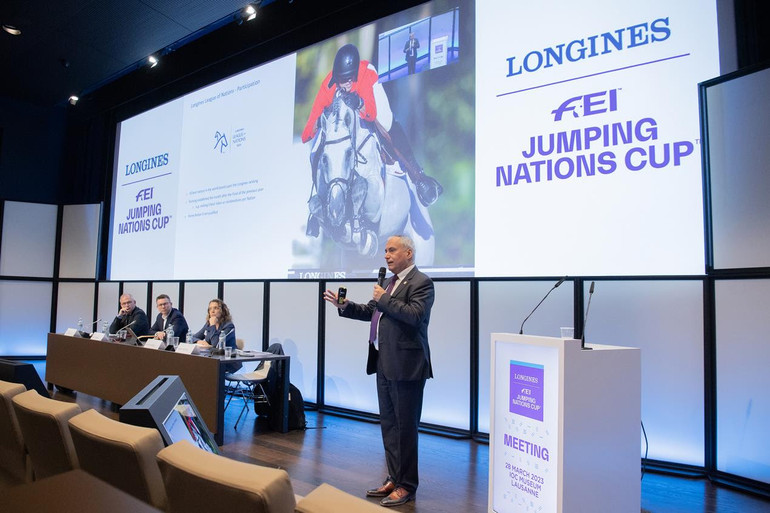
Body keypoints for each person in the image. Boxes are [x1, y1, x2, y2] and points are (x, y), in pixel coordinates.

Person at [323, 235, 434, 507]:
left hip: (408, 366)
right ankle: (394, 478)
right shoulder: (387, 283)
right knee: (390, 426)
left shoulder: (422, 283)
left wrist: (384, 298)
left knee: (406, 428)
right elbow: (371, 311)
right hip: (383, 362)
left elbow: (413, 315)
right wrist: (345, 306)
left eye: (392, 250)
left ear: (409, 253)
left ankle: (407, 485)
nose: (386, 255)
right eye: (385, 250)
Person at [302, 43, 442, 237]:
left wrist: (359, 104)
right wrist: (319, 122)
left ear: (355, 75)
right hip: (342, 121)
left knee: (386, 121)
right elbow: (306, 133)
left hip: (370, 103)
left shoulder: (366, 74)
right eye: (342, 80)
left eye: (350, 79)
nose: (346, 84)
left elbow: (372, 114)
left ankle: (418, 177)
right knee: (315, 146)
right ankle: (318, 202)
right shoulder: (328, 85)